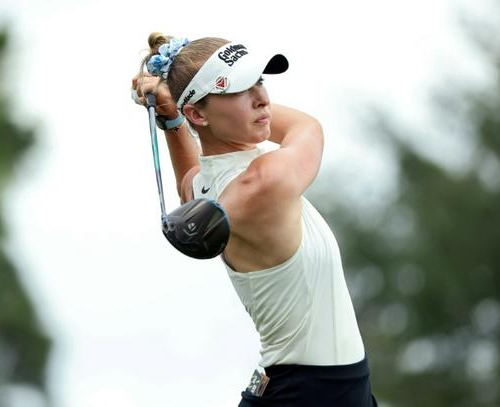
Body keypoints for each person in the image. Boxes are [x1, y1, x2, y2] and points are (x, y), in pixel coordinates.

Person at [131, 33, 378, 407]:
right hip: (313, 394)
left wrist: (173, 116)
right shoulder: (264, 181)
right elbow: (307, 127)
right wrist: (177, 109)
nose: (261, 98)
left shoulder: (205, 187)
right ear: (198, 114)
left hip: (311, 389)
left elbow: (191, 178)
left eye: (259, 81)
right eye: (238, 89)